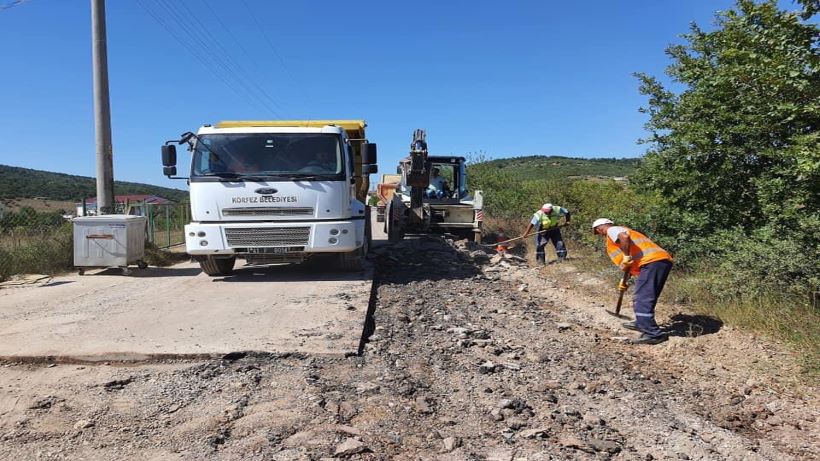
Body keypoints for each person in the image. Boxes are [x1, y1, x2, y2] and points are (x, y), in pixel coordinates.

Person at [592, 218, 673, 345]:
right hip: (655, 262)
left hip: (651, 262)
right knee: (646, 296)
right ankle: (642, 322)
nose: (600, 233)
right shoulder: (621, 231)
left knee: (641, 298)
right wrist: (624, 280)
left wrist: (626, 256)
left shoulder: (612, 230)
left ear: (600, 227)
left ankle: (653, 334)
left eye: (598, 231)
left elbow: (624, 239)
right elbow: (629, 263)